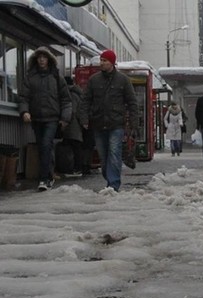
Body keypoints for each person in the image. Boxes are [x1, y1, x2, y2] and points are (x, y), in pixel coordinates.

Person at [80, 49, 138, 192]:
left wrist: (133, 123)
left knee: (114, 152)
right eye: (101, 60)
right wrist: (84, 118)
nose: (102, 63)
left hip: (116, 123)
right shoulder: (94, 80)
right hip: (98, 123)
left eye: (105, 61)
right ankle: (109, 177)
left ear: (112, 62)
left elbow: (132, 102)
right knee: (103, 156)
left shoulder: (123, 80)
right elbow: (85, 100)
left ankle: (113, 184)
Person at [18, 46, 72, 191]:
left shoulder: (56, 76)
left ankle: (43, 179)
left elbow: (66, 99)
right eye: (39, 57)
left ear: (49, 59)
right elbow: (24, 97)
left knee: (46, 145)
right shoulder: (30, 77)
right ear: (36, 59)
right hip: (36, 118)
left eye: (44, 57)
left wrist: (65, 118)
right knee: (43, 147)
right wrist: (24, 112)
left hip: (52, 118)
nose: (42, 60)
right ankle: (48, 176)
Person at [61, 77, 84, 177]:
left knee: (74, 147)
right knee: (76, 146)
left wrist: (65, 120)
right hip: (76, 124)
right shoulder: (77, 94)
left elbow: (72, 110)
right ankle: (77, 168)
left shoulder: (70, 95)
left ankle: (76, 168)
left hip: (71, 124)